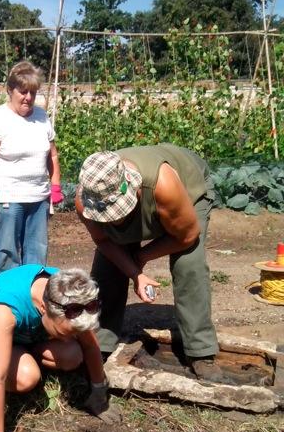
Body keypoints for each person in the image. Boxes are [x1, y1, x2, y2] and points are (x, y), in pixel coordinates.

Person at [75, 144, 222, 381]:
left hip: (189, 190)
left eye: (117, 210)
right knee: (106, 269)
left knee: (188, 266)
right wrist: (135, 273)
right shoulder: (85, 201)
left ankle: (200, 351)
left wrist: (141, 257)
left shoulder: (164, 185)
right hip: (151, 198)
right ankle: (100, 344)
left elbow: (186, 236)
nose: (114, 218)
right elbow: (103, 241)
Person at [0, 264, 109, 432]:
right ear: (44, 308)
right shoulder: (6, 307)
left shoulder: (72, 297)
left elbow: (90, 346)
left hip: (25, 330)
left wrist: (99, 392)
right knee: (26, 378)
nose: (70, 339)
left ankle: (21, 354)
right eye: (64, 333)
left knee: (72, 354)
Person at [0, 61, 64, 277]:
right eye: (23, 91)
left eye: (33, 93)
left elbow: (52, 154)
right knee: (6, 253)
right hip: (9, 197)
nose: (28, 97)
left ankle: (31, 301)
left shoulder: (42, 117)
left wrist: (55, 187)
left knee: (37, 252)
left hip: (38, 197)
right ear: (10, 90)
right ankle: (3, 303)